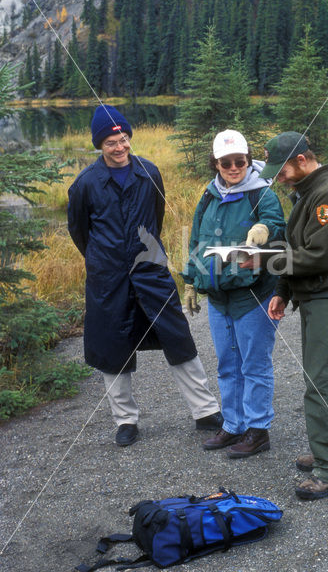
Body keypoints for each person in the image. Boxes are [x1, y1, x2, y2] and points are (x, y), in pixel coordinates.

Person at [67, 104, 222, 447]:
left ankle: (206, 411)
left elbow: (157, 216)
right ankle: (125, 421)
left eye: (122, 138)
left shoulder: (149, 172)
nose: (119, 147)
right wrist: (103, 259)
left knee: (178, 337)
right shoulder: (85, 185)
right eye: (110, 142)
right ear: (99, 145)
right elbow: (79, 232)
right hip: (108, 280)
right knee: (112, 347)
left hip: (150, 271)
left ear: (129, 137)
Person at [258, 131, 328, 499]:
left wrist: (263, 260)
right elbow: (296, 249)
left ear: (302, 160)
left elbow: (319, 256)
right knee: (324, 378)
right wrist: (282, 292)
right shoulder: (307, 194)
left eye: (282, 169)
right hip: (318, 298)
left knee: (321, 382)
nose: (279, 177)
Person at [182, 129, 286, 458]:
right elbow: (197, 239)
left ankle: (258, 430)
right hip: (218, 295)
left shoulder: (261, 192)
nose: (233, 167)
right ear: (216, 163)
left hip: (253, 294)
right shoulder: (210, 195)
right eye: (225, 162)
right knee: (227, 363)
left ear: (247, 159)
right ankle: (233, 424)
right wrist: (190, 281)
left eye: (239, 161)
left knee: (254, 364)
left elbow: (277, 223)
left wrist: (264, 229)